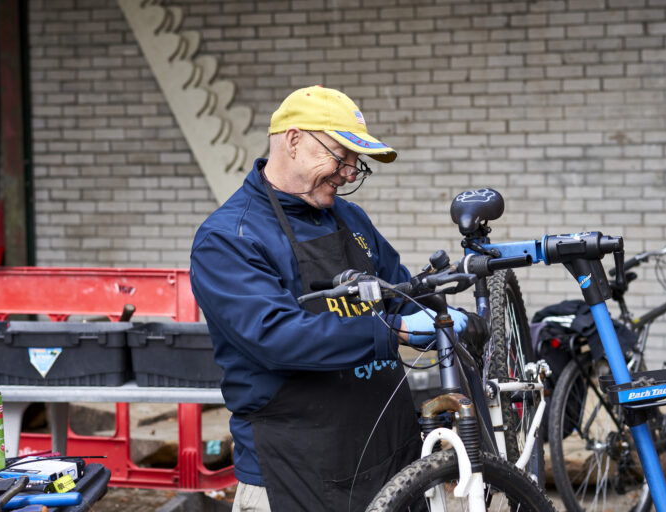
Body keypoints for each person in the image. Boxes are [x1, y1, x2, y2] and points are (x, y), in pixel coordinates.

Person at [190, 85, 469, 512]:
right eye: (342, 156)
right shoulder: (229, 238)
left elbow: (397, 292)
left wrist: (439, 312)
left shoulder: (350, 218)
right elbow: (277, 337)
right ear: (294, 140)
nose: (350, 173)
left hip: (391, 457)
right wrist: (391, 331)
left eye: (357, 163)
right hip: (294, 473)